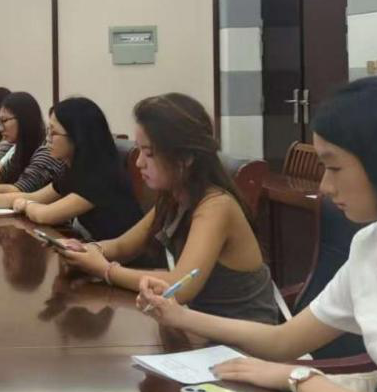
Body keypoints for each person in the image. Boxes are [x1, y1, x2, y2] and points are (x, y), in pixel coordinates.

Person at [138, 77, 377, 392]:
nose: (325, 187)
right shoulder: (371, 245)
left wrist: (297, 378)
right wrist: (181, 317)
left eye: (334, 167)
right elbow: (284, 340)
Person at [57, 93, 278, 324]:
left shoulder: (216, 206)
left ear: (186, 157)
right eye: (139, 151)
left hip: (242, 335)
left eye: (149, 154)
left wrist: (106, 271)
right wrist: (85, 250)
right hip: (197, 326)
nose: (139, 162)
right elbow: (123, 246)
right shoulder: (173, 197)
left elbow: (180, 287)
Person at [9, 96, 142, 239]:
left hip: (121, 253)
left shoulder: (100, 175)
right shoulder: (73, 168)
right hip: (95, 248)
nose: (48, 139)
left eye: (53, 133)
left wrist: (25, 205)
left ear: (77, 137)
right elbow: (35, 197)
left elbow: (45, 215)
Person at [0, 92, 66, 208]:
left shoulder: (47, 151)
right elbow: (0, 175)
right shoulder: (21, 146)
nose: (0, 128)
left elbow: (20, 190)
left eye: (4, 121)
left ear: (23, 120)